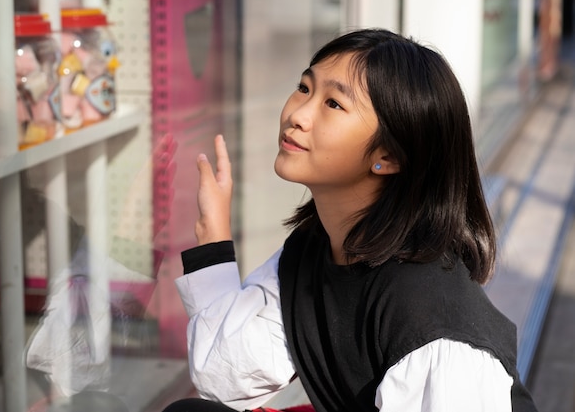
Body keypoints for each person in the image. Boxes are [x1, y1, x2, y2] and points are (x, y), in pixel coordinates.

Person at [164, 29, 538, 412]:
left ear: (388, 157)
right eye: (304, 88)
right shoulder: (315, 249)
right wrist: (213, 240)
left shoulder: (430, 320)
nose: (297, 115)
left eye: (333, 104)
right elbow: (224, 375)